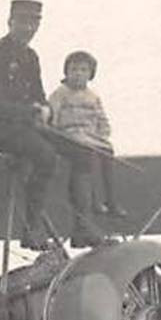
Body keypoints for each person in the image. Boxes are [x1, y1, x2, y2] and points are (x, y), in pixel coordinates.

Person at [0, 0, 100, 248]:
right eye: (23, 22)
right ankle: (31, 228)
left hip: (25, 127)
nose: (29, 28)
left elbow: (39, 95)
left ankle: (82, 226)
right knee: (45, 155)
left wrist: (45, 109)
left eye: (34, 22)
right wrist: (30, 111)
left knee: (83, 153)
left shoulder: (31, 57)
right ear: (10, 22)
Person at [47, 49, 122, 220]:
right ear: (66, 72)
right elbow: (53, 116)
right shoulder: (60, 93)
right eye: (73, 69)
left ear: (90, 74)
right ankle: (94, 200)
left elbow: (102, 118)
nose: (78, 74)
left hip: (91, 136)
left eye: (83, 70)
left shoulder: (93, 96)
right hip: (70, 134)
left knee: (107, 152)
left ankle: (110, 198)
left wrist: (102, 134)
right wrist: (57, 132)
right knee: (88, 156)